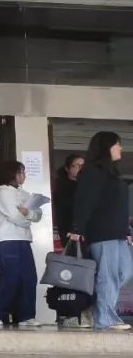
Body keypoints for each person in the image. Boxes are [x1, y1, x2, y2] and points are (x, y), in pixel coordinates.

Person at [70, 132, 132, 332]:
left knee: (125, 272)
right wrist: (77, 228)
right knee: (108, 275)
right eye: (117, 144)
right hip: (102, 232)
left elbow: (118, 206)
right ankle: (105, 318)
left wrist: (127, 230)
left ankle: (97, 310)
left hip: (118, 232)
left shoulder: (112, 172)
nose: (120, 148)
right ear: (107, 147)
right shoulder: (92, 172)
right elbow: (84, 202)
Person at [0, 161, 43, 327]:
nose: (24, 176)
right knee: (11, 276)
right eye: (21, 172)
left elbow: (38, 214)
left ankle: (26, 316)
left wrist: (27, 213)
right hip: (7, 240)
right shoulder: (3, 191)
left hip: (24, 239)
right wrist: (27, 218)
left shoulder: (24, 193)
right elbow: (14, 216)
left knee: (29, 277)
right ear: (11, 174)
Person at [52, 154, 84, 243]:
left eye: (83, 165)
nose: (81, 168)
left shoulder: (86, 186)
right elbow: (63, 212)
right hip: (71, 232)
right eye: (77, 165)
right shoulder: (62, 186)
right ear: (67, 168)